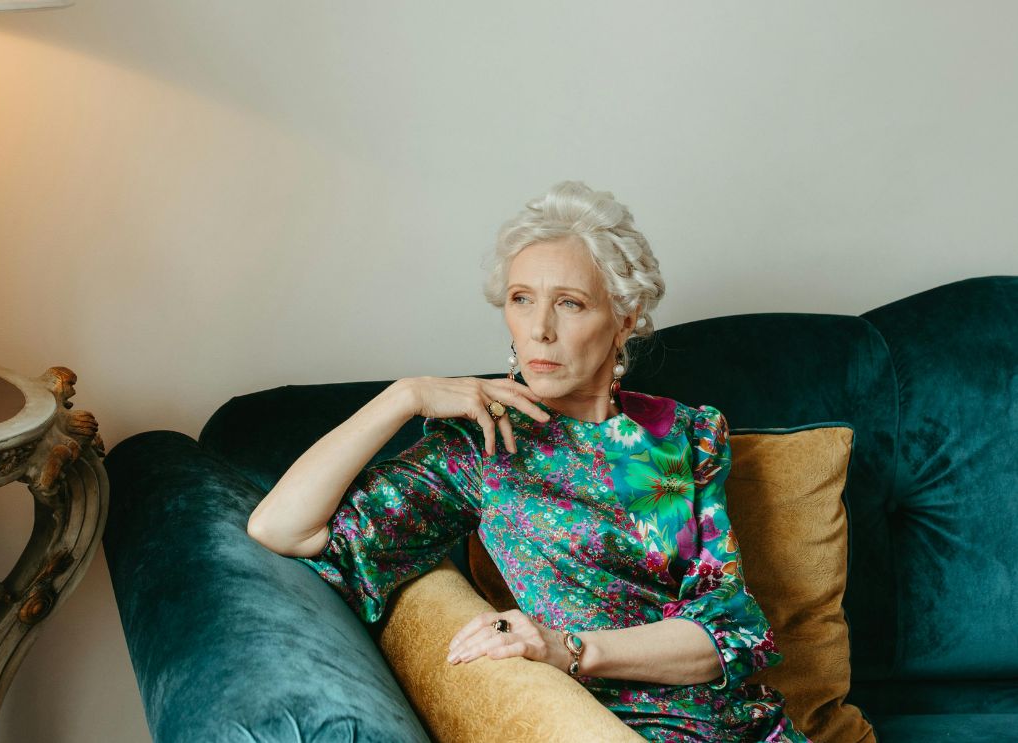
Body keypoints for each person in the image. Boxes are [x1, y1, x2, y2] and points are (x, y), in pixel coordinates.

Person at [247, 181, 808, 742]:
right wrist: (403, 396)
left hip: (751, 727)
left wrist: (568, 646)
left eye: (570, 303)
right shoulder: (483, 445)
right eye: (521, 299)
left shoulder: (683, 434)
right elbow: (282, 528)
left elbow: (729, 631)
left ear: (625, 318)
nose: (540, 329)